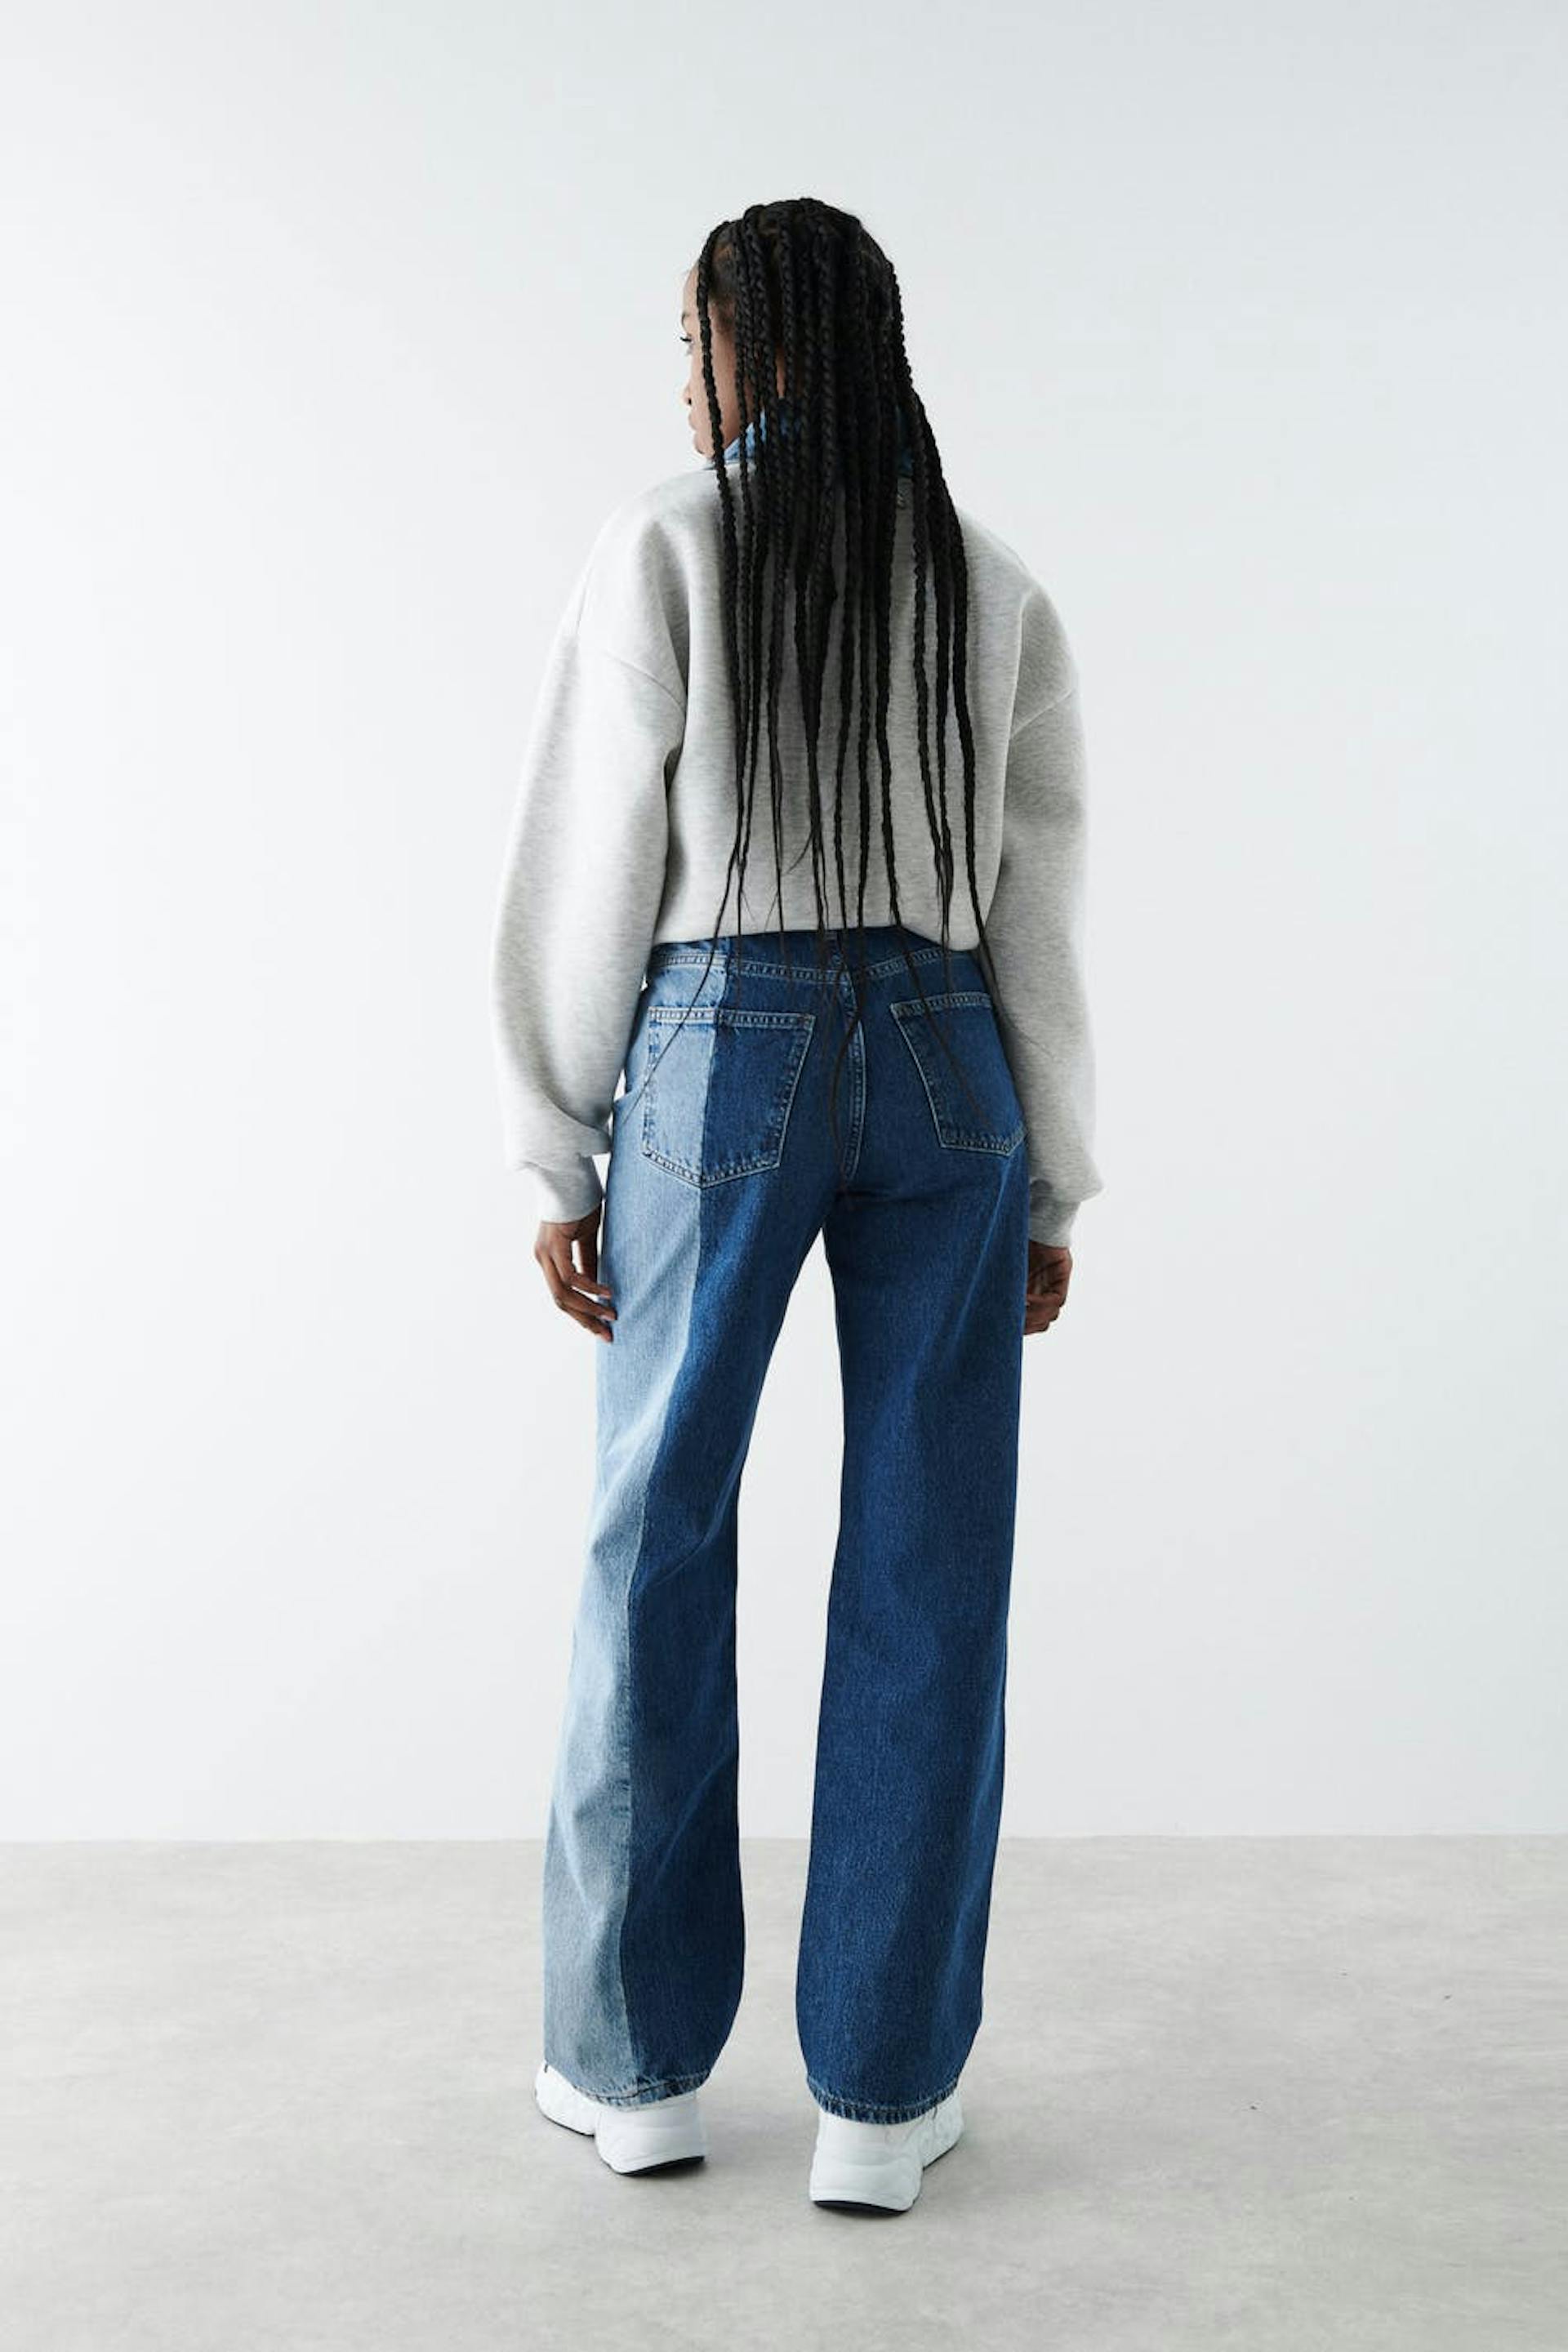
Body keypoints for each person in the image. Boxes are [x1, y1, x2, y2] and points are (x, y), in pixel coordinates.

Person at [488, 198, 1103, 2216]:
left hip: (722, 1051)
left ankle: (636, 2069)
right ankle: (883, 2100)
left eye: (691, 342)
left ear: (750, 348)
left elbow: (593, 852)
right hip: (946, 1057)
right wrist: (1053, 1173)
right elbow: (1035, 897)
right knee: (933, 1566)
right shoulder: (986, 576)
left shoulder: (669, 540)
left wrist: (555, 1139)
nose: (679, 382)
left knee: (656, 1535)